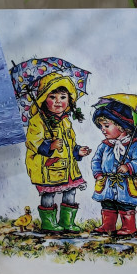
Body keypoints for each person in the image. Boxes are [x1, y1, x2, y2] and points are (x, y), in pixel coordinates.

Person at [24, 72, 91, 233]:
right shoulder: (37, 120)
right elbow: (32, 141)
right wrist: (49, 146)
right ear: (43, 99)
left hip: (67, 167)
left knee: (71, 191)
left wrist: (78, 151)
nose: (58, 101)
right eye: (52, 97)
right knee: (48, 194)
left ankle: (67, 222)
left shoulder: (65, 121)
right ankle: (49, 223)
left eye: (62, 97)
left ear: (69, 100)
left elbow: (70, 142)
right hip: (48, 168)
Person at [91, 99, 137, 237]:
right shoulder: (104, 145)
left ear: (121, 127)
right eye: (101, 126)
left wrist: (128, 166)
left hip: (125, 184)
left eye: (106, 125)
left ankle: (128, 227)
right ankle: (108, 226)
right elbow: (96, 160)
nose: (102, 129)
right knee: (107, 204)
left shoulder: (134, 146)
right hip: (107, 183)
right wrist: (98, 173)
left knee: (125, 205)